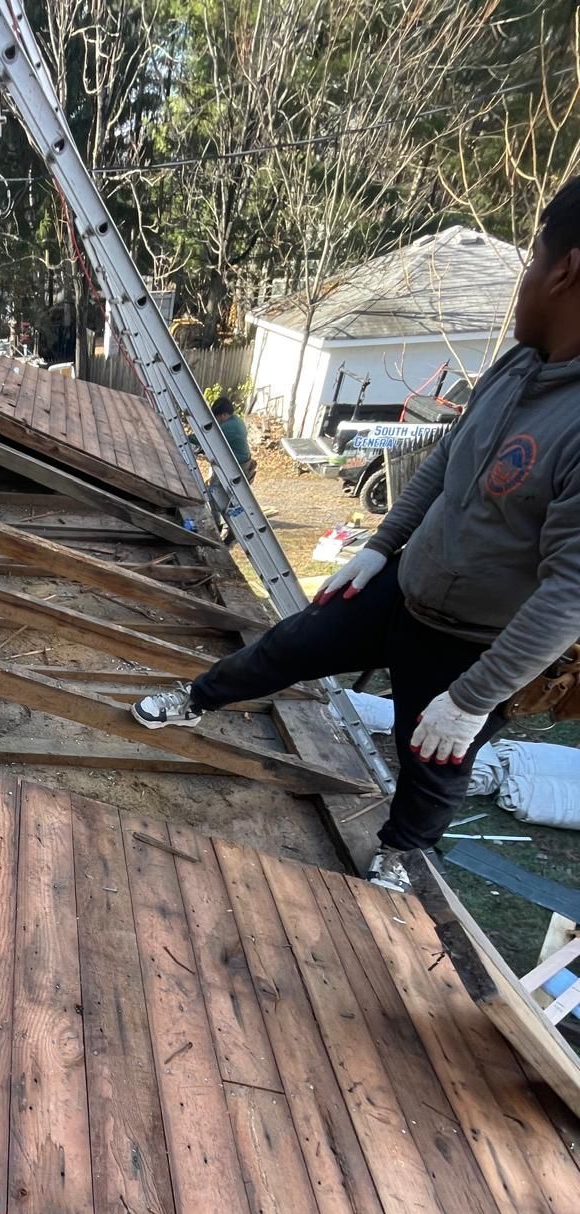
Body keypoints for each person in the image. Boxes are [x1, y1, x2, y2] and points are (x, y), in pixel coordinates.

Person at [132, 177, 580, 892]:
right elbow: (444, 464)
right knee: (292, 644)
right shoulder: (521, 364)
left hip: (473, 645)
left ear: (567, 270)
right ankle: (196, 699)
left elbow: (570, 593)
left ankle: (400, 856)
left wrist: (473, 698)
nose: (523, 278)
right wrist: (378, 547)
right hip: (404, 586)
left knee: (432, 761)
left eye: (532, 260)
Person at [211, 394, 257, 481]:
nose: (216, 421)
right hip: (244, 462)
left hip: (239, 466)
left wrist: (189, 438)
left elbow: (210, 435)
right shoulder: (237, 420)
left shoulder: (230, 426)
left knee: (216, 486)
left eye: (216, 417)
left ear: (223, 415)